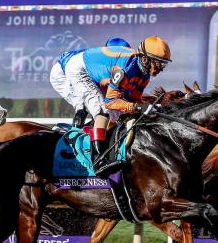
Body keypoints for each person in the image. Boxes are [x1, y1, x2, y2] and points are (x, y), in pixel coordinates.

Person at [65, 36, 171, 174]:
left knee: (119, 114)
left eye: (164, 65)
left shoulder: (144, 75)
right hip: (78, 69)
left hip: (98, 71)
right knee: (102, 110)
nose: (161, 69)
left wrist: (148, 109)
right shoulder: (124, 69)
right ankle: (98, 159)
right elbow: (110, 102)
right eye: (159, 64)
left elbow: (133, 101)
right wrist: (140, 107)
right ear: (145, 59)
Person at [50, 37, 132, 127]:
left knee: (103, 106)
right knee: (84, 106)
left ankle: (95, 127)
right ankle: (77, 131)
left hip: (74, 69)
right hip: (62, 73)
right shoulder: (101, 63)